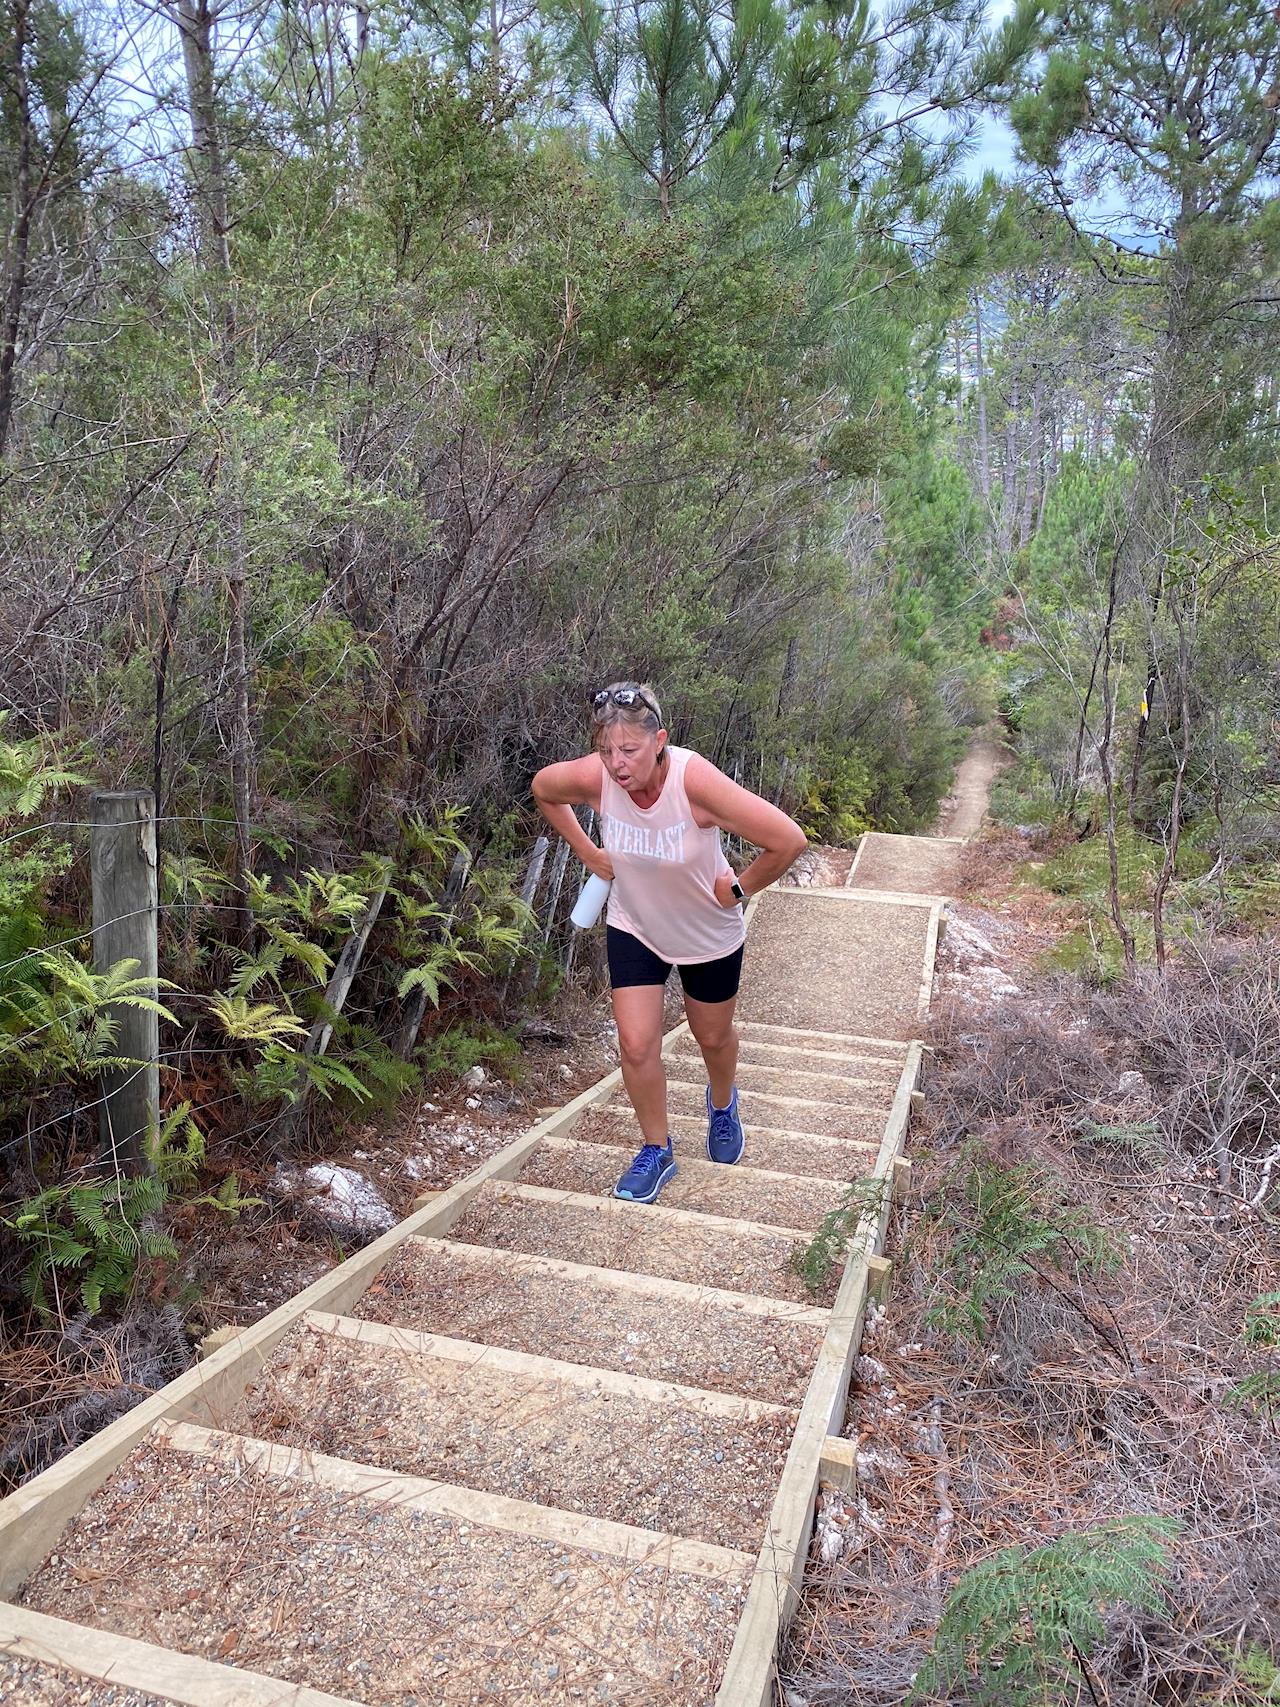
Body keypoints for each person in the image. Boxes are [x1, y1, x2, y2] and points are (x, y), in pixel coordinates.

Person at [532, 681, 807, 1204]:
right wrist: (589, 852)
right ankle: (656, 1149)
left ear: (659, 741)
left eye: (629, 750)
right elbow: (544, 788)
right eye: (606, 750)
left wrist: (738, 889)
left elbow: (787, 840)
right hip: (636, 926)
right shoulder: (599, 777)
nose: (617, 764)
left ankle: (722, 1104)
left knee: (712, 1037)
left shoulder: (693, 781)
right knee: (636, 1044)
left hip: (706, 933)